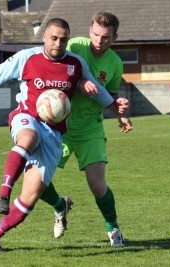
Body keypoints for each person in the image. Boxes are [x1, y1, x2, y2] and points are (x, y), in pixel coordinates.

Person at [0, 18, 132, 252]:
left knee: (30, 197)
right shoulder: (28, 57)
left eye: (63, 39)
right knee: (28, 138)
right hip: (27, 118)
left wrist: (119, 109)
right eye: (53, 38)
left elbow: (98, 91)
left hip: (56, 134)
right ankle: (3, 194)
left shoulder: (75, 63)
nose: (58, 43)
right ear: (44, 36)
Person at [38, 11, 132, 248]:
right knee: (37, 182)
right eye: (96, 35)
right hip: (59, 128)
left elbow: (110, 95)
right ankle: (61, 205)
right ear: (90, 31)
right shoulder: (74, 46)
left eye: (106, 37)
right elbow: (54, 66)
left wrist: (120, 114)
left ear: (115, 37)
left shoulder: (115, 63)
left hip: (90, 128)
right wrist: (78, 82)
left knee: (97, 185)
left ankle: (113, 228)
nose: (100, 41)